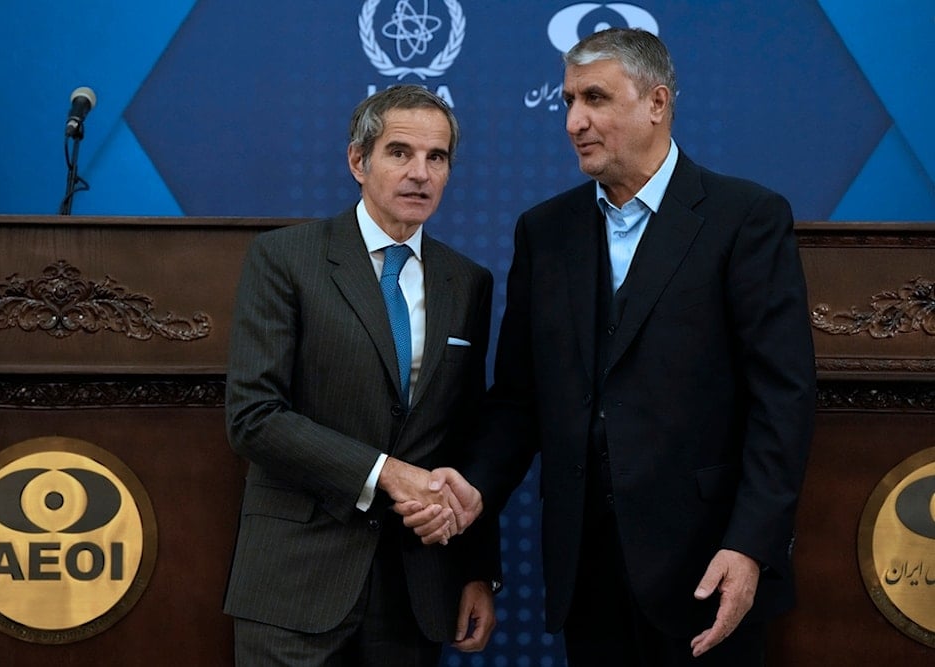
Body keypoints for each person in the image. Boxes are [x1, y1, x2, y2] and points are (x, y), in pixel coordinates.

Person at [405, 27, 817, 665]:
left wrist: (752, 544)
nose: (574, 121)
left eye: (594, 98)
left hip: (707, 566)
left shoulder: (746, 219)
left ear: (657, 103)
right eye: (568, 101)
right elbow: (518, 400)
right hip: (585, 571)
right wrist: (473, 492)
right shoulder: (544, 231)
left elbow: (782, 400)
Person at [223, 84, 499, 666]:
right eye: (400, 152)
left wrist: (478, 571)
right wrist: (386, 473)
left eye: (437, 157)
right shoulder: (285, 259)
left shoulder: (467, 281)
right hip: (295, 588)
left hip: (416, 592)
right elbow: (253, 418)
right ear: (358, 161)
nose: (420, 173)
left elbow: (467, 434)